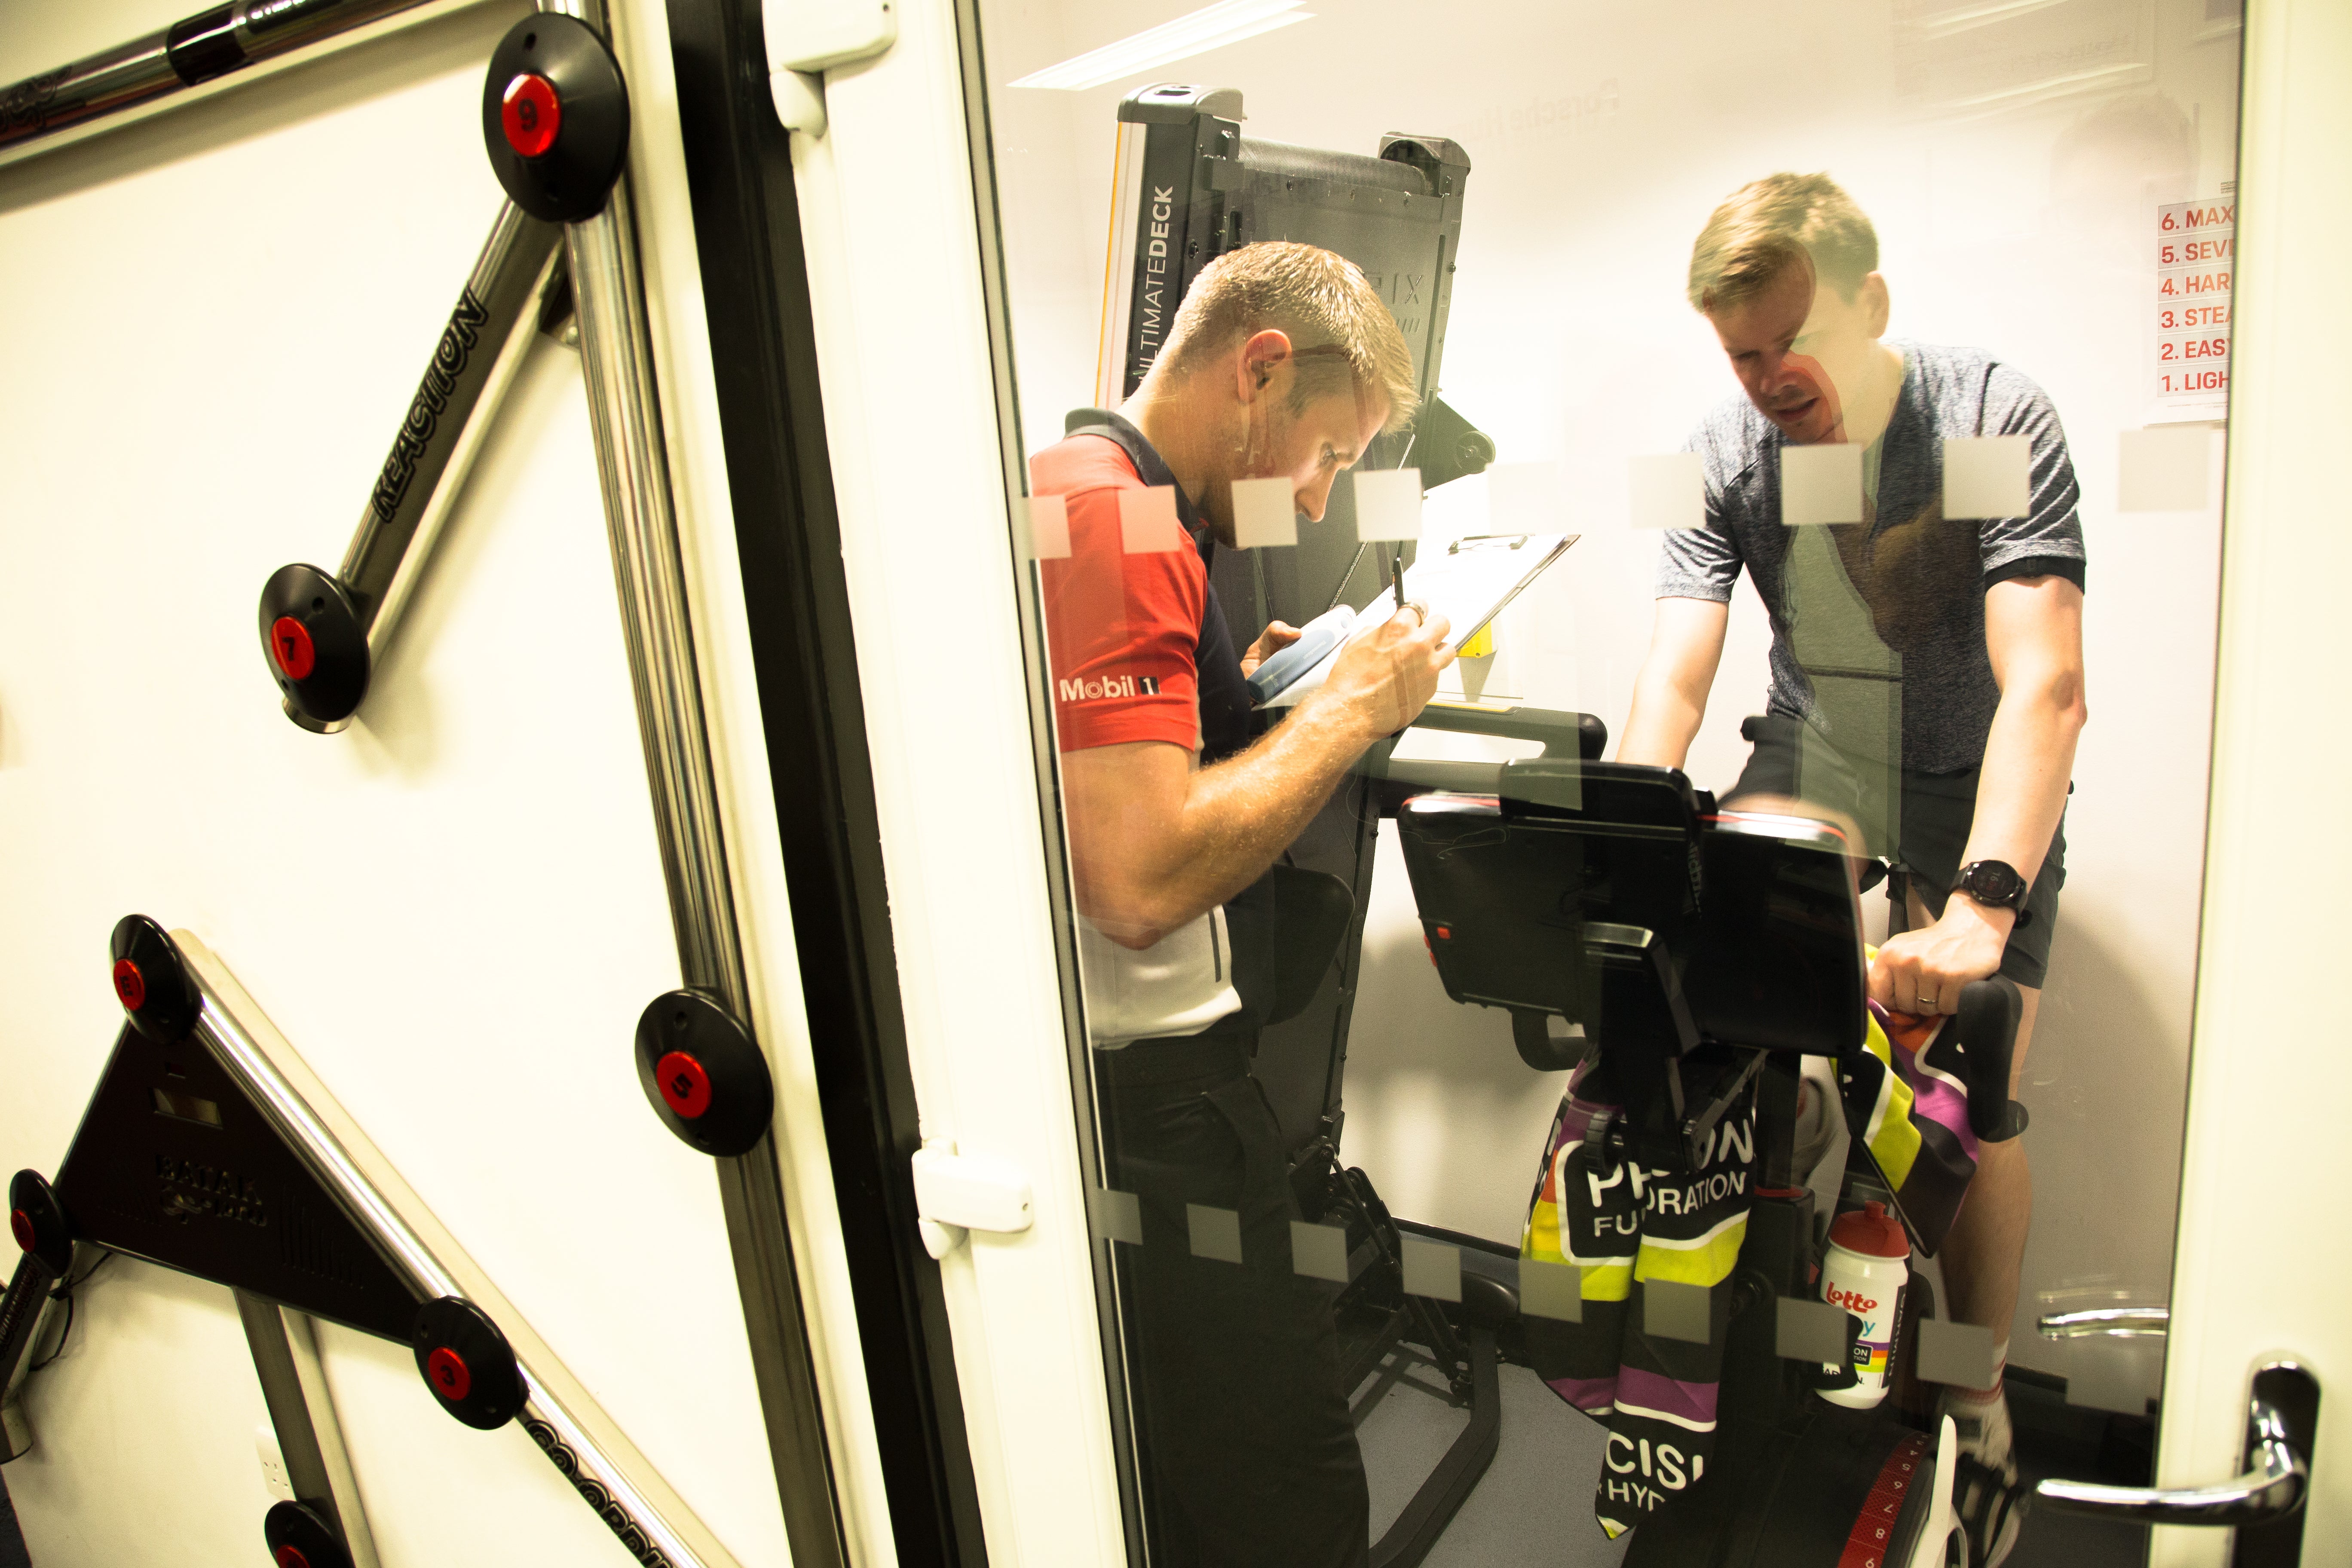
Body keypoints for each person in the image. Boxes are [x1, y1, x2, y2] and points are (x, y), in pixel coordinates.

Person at [1616, 172, 2087, 1567]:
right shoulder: (1727, 449)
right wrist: (1636, 846)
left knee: (1975, 1088)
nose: (1769, 382)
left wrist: (1988, 902)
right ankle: (1797, 1204)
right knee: (1742, 999)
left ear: (1870, 304)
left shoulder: (1992, 419)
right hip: (1821, 754)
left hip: (1973, 766)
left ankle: (1981, 1392)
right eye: (1742, 356)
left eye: (1790, 345)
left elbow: (2046, 683)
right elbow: (1674, 674)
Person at [1032, 239, 1455, 1568]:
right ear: (1260, 371)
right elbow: (1138, 877)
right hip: (1159, 1105)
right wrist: (1343, 714)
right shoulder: (1120, 518)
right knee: (1295, 1505)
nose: (1323, 493)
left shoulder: (1085, 485)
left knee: (1186, 1485)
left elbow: (1121, 756)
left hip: (1114, 1090)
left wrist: (1247, 688)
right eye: (1328, 453)